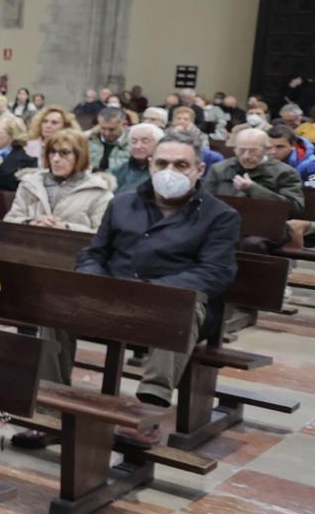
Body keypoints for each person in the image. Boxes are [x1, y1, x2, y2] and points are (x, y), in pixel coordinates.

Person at [77, 132, 239, 406]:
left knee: (179, 307)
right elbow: (93, 254)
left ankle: (150, 407)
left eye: (180, 165)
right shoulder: (122, 203)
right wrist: (98, 284)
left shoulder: (220, 216)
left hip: (173, 304)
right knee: (58, 302)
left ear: (199, 170)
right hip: (115, 297)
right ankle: (46, 401)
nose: (169, 171)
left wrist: (154, 292)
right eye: (162, 164)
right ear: (150, 164)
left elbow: (215, 271)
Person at [8, 131, 115, 230]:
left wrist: (66, 228)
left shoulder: (99, 191)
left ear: (80, 156)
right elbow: (10, 220)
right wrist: (31, 223)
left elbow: (101, 234)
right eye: (52, 152)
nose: (56, 159)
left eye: (64, 153)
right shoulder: (30, 184)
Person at [205, 126, 305, 216]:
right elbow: (205, 201)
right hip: (224, 224)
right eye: (241, 150)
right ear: (234, 149)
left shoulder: (285, 172)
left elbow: (295, 209)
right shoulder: (219, 169)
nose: (246, 156)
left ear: (267, 150)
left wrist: (253, 189)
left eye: (253, 151)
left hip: (265, 227)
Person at [89, 105, 131, 176]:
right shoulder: (90, 140)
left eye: (112, 129)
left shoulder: (134, 143)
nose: (107, 133)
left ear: (124, 124)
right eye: (103, 128)